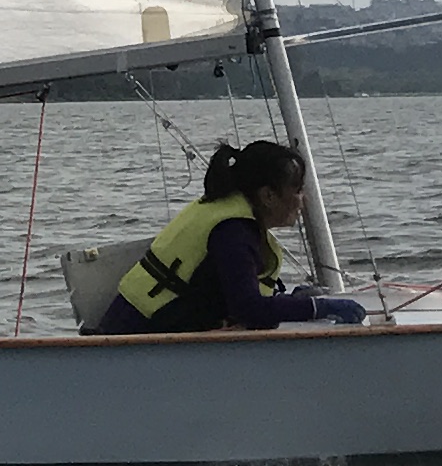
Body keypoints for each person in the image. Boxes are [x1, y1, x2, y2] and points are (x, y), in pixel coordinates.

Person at [89, 138, 368, 333]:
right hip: (136, 345)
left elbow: (230, 292)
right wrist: (315, 308)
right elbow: (249, 309)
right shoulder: (233, 232)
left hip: (146, 333)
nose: (302, 200)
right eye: (297, 190)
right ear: (268, 196)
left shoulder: (224, 212)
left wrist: (290, 302)